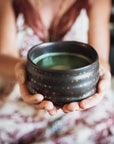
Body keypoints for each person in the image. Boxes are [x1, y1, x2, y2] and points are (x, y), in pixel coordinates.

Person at [0, 0, 113, 143]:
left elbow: (101, 59)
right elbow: (3, 57)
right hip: (23, 98)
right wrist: (23, 69)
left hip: (84, 102)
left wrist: (103, 73)